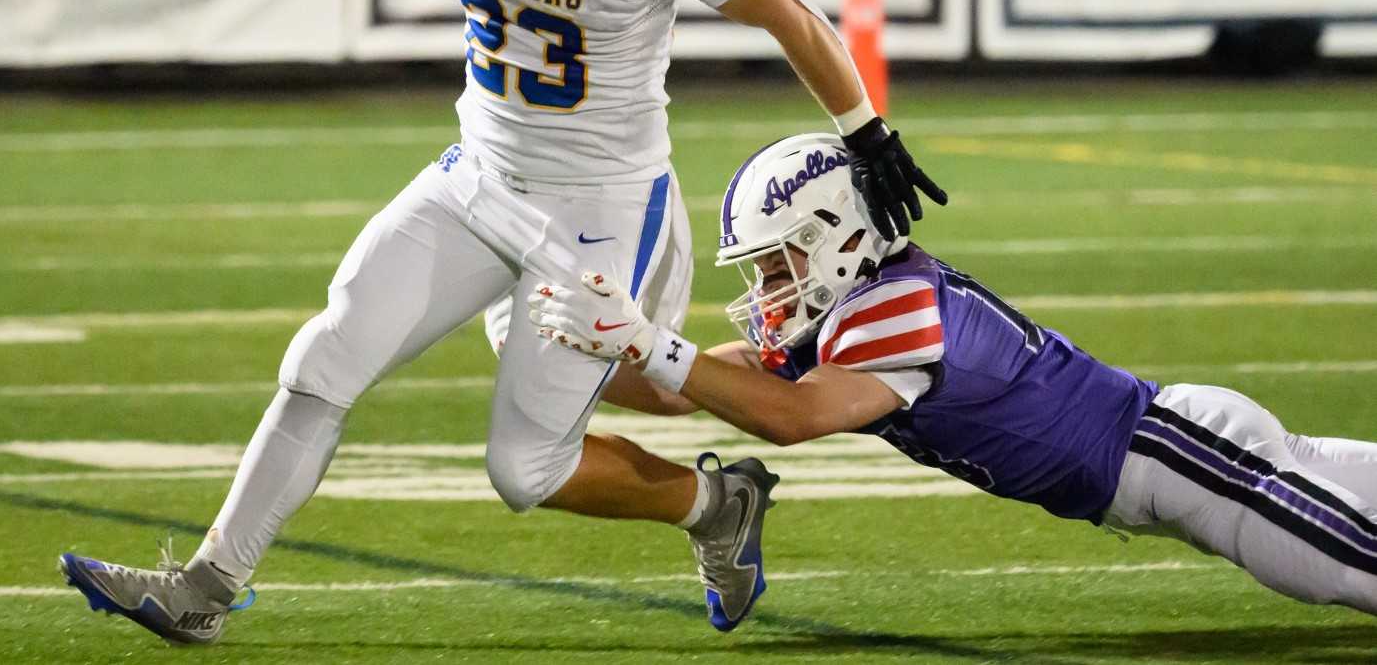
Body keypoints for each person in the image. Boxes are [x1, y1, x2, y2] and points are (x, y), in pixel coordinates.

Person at [56, 0, 947, 645]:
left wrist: (864, 128)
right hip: (478, 171)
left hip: (599, 210)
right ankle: (204, 588)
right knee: (322, 359)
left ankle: (713, 504)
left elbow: (791, 18)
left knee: (526, 470)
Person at [530, 132, 1377, 623]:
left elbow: (789, 419)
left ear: (836, 238)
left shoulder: (895, 307)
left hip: (1184, 463)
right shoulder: (849, 312)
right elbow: (688, 390)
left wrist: (645, 339)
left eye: (780, 261)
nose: (765, 290)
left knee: (1350, 571)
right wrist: (584, 355)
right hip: (1178, 459)